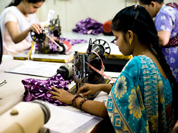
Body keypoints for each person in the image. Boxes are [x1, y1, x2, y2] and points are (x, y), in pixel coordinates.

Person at [49, 5, 178, 133]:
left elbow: (107, 110)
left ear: (129, 35)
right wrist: (100, 87)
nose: (115, 43)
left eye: (116, 38)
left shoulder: (137, 64)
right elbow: (139, 89)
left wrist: (72, 99)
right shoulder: (154, 55)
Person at [139, 0, 178, 83]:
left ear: (153, 4)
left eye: (144, 8)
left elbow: (162, 40)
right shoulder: (171, 9)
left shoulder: (163, 13)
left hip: (172, 59)